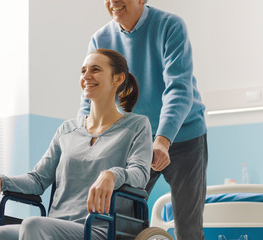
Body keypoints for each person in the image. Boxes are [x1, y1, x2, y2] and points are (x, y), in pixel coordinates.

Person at [0, 49, 153, 240]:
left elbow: (140, 174)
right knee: (1, 234)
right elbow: (38, 179)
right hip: (56, 224)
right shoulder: (67, 130)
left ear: (118, 79)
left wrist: (112, 175)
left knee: (34, 225)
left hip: (100, 227)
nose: (87, 76)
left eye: (95, 69)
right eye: (83, 71)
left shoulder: (137, 126)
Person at [78, 1, 208, 239]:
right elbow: (90, 97)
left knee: (188, 228)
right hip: (136, 139)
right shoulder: (100, 39)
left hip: (184, 135)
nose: (114, 2)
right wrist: (82, 141)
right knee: (121, 219)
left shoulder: (170, 26)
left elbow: (179, 87)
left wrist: (163, 139)